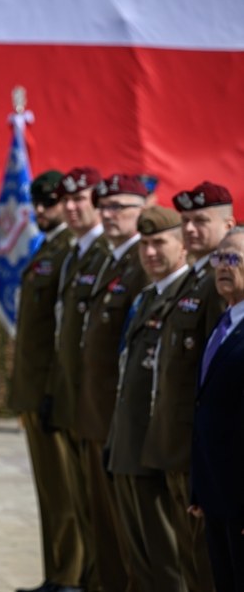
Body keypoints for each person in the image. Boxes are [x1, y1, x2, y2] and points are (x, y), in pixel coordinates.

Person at [144, 182, 234, 592]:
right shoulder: (196, 281)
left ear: (228, 223)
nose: (192, 229)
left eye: (203, 220)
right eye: (187, 221)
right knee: (190, 554)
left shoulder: (221, 286)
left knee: (204, 562)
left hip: (202, 449)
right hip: (183, 444)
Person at [106, 205, 190, 590]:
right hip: (129, 444)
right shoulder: (147, 297)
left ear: (183, 245)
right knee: (137, 561)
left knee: (167, 562)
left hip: (155, 449)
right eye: (145, 245)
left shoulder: (188, 296)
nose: (150, 252)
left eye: (160, 243)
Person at [9, 170, 85, 592]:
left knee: (66, 492)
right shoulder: (50, 250)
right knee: (50, 492)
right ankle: (56, 573)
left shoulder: (70, 252)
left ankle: (71, 575)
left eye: (50, 203)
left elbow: (62, 332)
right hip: (36, 390)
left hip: (52, 392)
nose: (41, 211)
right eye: (37, 203)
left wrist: (55, 390)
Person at [75, 173, 148, 591]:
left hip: (119, 417)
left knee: (126, 527)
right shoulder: (111, 257)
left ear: (142, 209)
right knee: (100, 516)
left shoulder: (141, 261)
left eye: (121, 206)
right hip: (95, 411)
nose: (110, 214)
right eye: (106, 207)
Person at [48, 166, 110, 590]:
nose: (71, 207)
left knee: (102, 505)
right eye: (65, 200)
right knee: (80, 498)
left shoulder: (108, 252)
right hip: (71, 392)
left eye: (79, 199)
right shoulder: (76, 251)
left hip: (98, 402)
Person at [190, 227, 244, 592]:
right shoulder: (223, 325)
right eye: (218, 258)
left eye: (234, 259)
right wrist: (200, 489)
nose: (223, 267)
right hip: (217, 493)